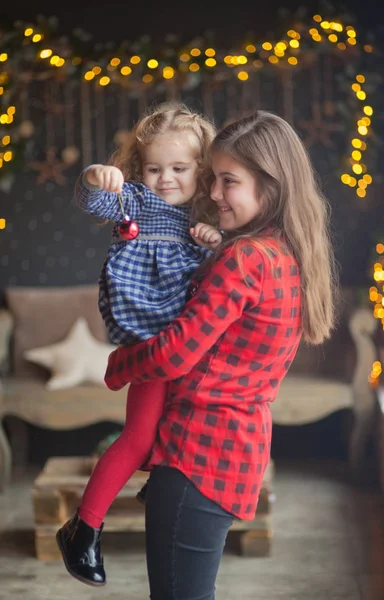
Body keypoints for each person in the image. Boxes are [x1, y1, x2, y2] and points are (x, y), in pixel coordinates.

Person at [103, 110, 338, 600]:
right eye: (212, 179)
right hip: (237, 448)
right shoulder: (284, 253)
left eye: (227, 181)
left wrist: (118, 366)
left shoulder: (244, 258)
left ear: (270, 186)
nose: (211, 194)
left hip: (198, 449)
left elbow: (174, 355)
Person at [56, 102, 222, 586]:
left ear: (202, 168)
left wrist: (213, 241)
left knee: (184, 422)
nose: (165, 179)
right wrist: (95, 176)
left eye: (179, 168)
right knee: (138, 435)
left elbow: (224, 272)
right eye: (153, 168)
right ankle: (83, 529)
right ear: (138, 168)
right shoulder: (137, 200)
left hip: (190, 341)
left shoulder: (207, 212)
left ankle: (162, 482)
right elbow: (94, 202)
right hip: (152, 336)